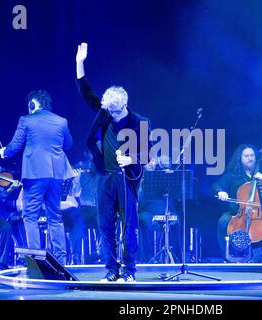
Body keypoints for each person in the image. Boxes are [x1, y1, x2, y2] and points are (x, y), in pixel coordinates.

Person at [76, 42, 152, 282]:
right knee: (105, 226)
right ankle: (111, 270)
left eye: (117, 112)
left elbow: (149, 155)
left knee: (129, 227)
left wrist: (131, 158)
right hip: (105, 177)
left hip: (127, 180)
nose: (113, 115)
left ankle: (129, 271)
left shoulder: (140, 122)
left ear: (125, 105)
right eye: (110, 111)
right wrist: (80, 62)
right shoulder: (106, 111)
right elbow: (86, 92)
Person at [0, 90, 74, 265]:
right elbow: (68, 144)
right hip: (56, 175)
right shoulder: (61, 121)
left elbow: (15, 145)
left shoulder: (26, 120)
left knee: (30, 216)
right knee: (55, 216)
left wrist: (5, 152)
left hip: (35, 174)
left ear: (33, 103)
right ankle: (60, 261)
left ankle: (36, 261)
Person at [212, 144, 262, 262]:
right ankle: (225, 256)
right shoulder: (232, 175)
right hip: (236, 212)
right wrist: (221, 191)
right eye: (246, 156)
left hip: (259, 213)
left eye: (252, 155)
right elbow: (217, 185)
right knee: (223, 221)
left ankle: (261, 254)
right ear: (240, 158)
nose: (250, 158)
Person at [138, 155, 180, 263]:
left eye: (152, 160)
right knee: (140, 219)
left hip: (166, 210)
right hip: (148, 212)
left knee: (178, 220)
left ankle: (177, 257)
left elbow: (175, 196)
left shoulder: (162, 175)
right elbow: (139, 203)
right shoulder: (138, 177)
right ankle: (144, 258)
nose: (151, 163)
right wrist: (141, 188)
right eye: (148, 161)